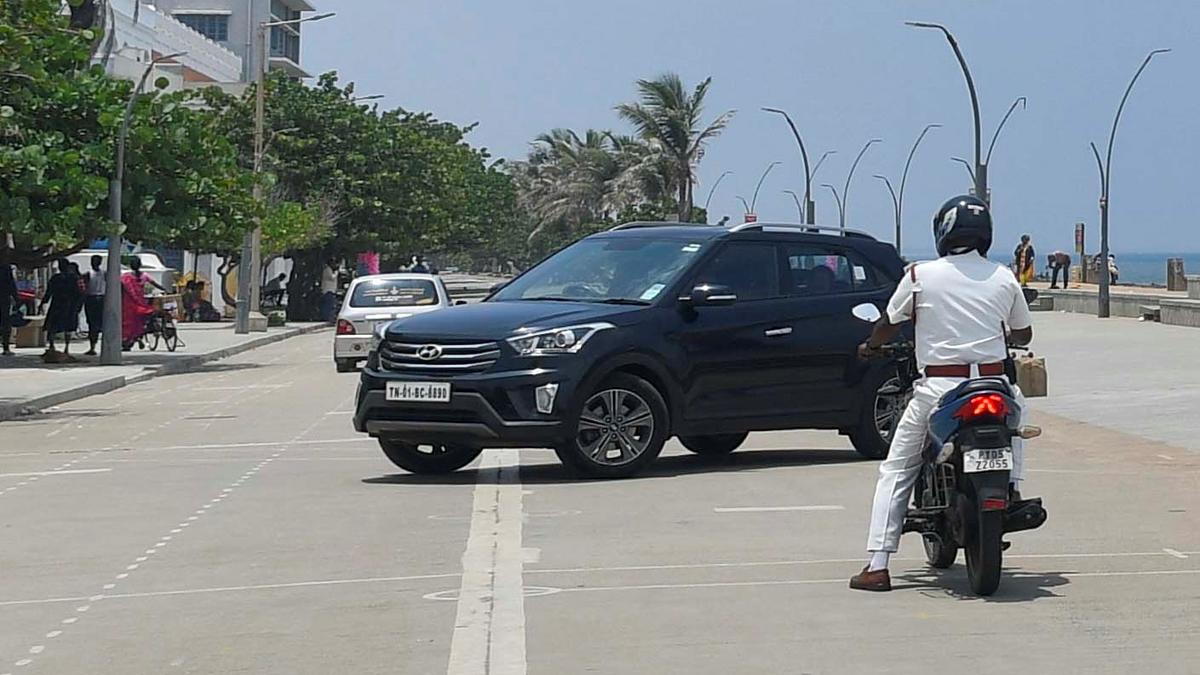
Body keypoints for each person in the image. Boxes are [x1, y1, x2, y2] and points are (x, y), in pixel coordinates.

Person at [849, 195, 1034, 592]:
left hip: (939, 388)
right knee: (1017, 414)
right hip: (992, 384)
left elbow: (889, 323)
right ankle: (1013, 485)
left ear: (943, 232)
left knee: (897, 468)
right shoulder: (1003, 276)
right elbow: (1023, 333)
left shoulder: (920, 275)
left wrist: (871, 345)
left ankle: (878, 564)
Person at [39, 258, 83, 362]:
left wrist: (42, 303)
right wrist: (77, 306)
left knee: (53, 326)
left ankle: (52, 345)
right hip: (69, 305)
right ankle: (66, 347)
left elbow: (48, 293)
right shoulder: (74, 278)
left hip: (57, 304)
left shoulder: (56, 278)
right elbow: (79, 294)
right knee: (68, 327)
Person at [120, 257, 160, 350]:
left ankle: (128, 340)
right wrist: (164, 289)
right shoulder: (144, 275)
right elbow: (154, 283)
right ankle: (137, 337)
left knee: (127, 323)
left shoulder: (125, 277)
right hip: (141, 303)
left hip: (128, 303)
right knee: (139, 322)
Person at [82, 255, 106, 355]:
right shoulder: (103, 274)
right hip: (99, 299)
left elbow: (84, 288)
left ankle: (93, 346)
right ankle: (94, 346)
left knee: (93, 323)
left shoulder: (88, 274)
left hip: (93, 299)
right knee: (96, 323)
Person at [1, 262, 19, 356]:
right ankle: (6, 347)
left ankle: (6, 347)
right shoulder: (6, 268)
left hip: (4, 298)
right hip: (4, 298)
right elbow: (11, 284)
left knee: (5, 322)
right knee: (5, 322)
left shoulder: (6, 267)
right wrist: (17, 298)